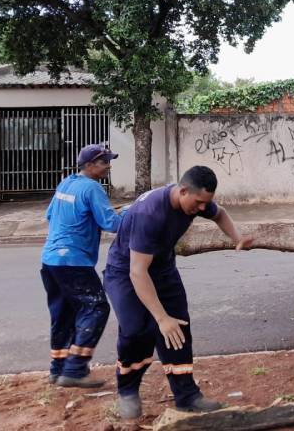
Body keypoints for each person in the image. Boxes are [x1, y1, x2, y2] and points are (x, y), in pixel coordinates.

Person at [103, 165, 253, 419]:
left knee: (179, 328)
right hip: (126, 273)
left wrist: (237, 237)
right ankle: (127, 391)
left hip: (162, 270)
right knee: (137, 330)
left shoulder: (196, 201)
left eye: (207, 203)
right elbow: (138, 272)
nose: (203, 209)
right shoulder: (150, 213)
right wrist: (161, 318)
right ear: (183, 190)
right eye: (198, 202)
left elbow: (220, 214)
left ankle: (187, 396)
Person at [41, 143, 121, 388]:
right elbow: (111, 224)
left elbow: (49, 216)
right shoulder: (92, 188)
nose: (108, 165)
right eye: (104, 161)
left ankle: (57, 369)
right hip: (74, 262)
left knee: (64, 313)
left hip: (50, 260)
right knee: (96, 307)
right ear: (89, 165)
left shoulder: (67, 183)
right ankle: (75, 370)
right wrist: (134, 214)